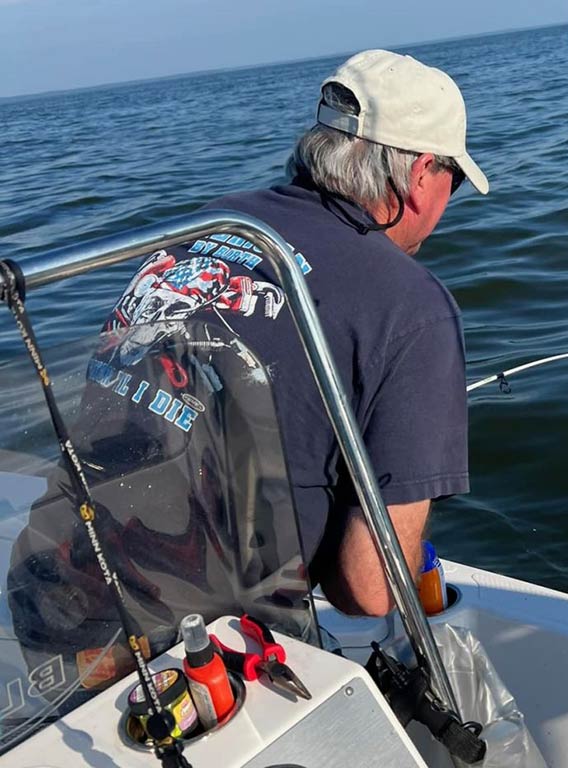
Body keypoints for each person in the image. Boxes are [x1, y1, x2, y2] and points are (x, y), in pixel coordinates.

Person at [105, 48, 489, 617]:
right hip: (183, 634)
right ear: (418, 175)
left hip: (62, 572)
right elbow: (370, 590)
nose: (445, 205)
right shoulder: (415, 308)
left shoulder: (211, 224)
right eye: (451, 181)